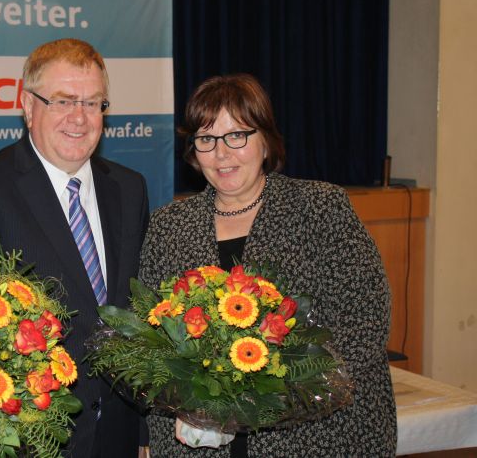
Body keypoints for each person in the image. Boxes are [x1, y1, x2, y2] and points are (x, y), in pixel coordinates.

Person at [139, 73, 397, 457]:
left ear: (265, 141)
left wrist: (274, 394)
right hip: (200, 445)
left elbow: (366, 320)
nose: (222, 153)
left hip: (318, 436)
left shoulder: (320, 208)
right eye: (207, 139)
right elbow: (150, 339)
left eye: (237, 135)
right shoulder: (169, 227)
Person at [0, 38, 149, 457]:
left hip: (119, 435)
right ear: (27, 105)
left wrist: (144, 432)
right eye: (62, 101)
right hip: (33, 440)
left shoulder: (130, 188)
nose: (79, 117)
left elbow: (137, 313)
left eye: (93, 103)